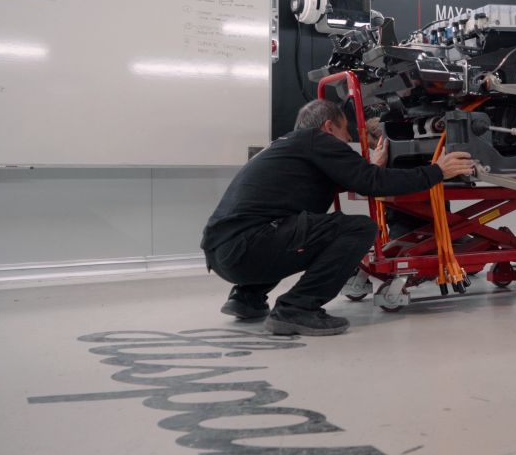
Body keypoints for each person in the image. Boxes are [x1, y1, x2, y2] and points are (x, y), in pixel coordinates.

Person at [201, 100, 474, 336]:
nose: (348, 138)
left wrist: (370, 168)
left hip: (223, 253)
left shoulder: (290, 145)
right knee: (358, 229)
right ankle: (297, 308)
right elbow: (372, 183)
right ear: (329, 126)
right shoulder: (317, 140)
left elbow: (350, 178)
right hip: (250, 247)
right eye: (346, 131)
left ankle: (247, 297)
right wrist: (438, 171)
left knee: (297, 231)